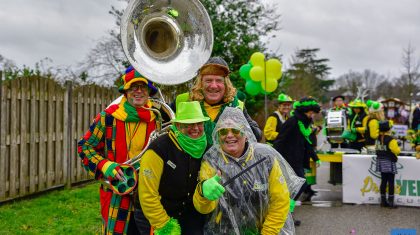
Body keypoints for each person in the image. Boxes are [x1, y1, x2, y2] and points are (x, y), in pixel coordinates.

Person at [193, 107, 302, 235]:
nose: (229, 135)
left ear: (246, 134)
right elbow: (203, 209)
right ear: (218, 135)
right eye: (223, 131)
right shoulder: (211, 160)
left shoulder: (265, 157)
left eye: (235, 130)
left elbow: (280, 201)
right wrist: (203, 193)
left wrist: (268, 233)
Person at [78, 66, 159, 234]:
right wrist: (106, 166)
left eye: (142, 87)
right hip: (118, 194)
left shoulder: (158, 118)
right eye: (133, 86)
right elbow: (85, 146)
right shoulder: (108, 117)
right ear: (125, 91)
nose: (138, 91)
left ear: (149, 91)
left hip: (148, 196)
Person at [136, 101, 210, 235]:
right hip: (155, 215)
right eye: (189, 124)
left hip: (189, 215)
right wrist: (164, 225)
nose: (195, 128)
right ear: (177, 125)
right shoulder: (159, 149)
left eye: (199, 123)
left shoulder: (207, 149)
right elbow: (147, 193)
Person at [175, 56, 262, 145]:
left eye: (219, 81)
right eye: (208, 80)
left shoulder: (236, 105)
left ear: (226, 84)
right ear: (201, 83)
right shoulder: (185, 100)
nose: (213, 86)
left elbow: (257, 135)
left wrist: (239, 127)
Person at [273, 97, 321, 226]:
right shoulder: (293, 122)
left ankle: (286, 214)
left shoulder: (304, 124)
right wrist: (275, 158)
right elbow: (279, 140)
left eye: (313, 113)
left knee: (296, 186)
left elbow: (306, 142)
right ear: (303, 111)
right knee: (299, 185)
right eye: (309, 112)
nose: (311, 115)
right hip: (288, 159)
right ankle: (285, 214)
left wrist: (315, 157)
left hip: (298, 159)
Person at [375, 120, 400, 208]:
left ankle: (383, 202)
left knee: (383, 181)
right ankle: (391, 203)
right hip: (389, 161)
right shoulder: (391, 139)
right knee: (391, 182)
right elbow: (397, 151)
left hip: (380, 161)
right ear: (388, 129)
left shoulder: (377, 139)